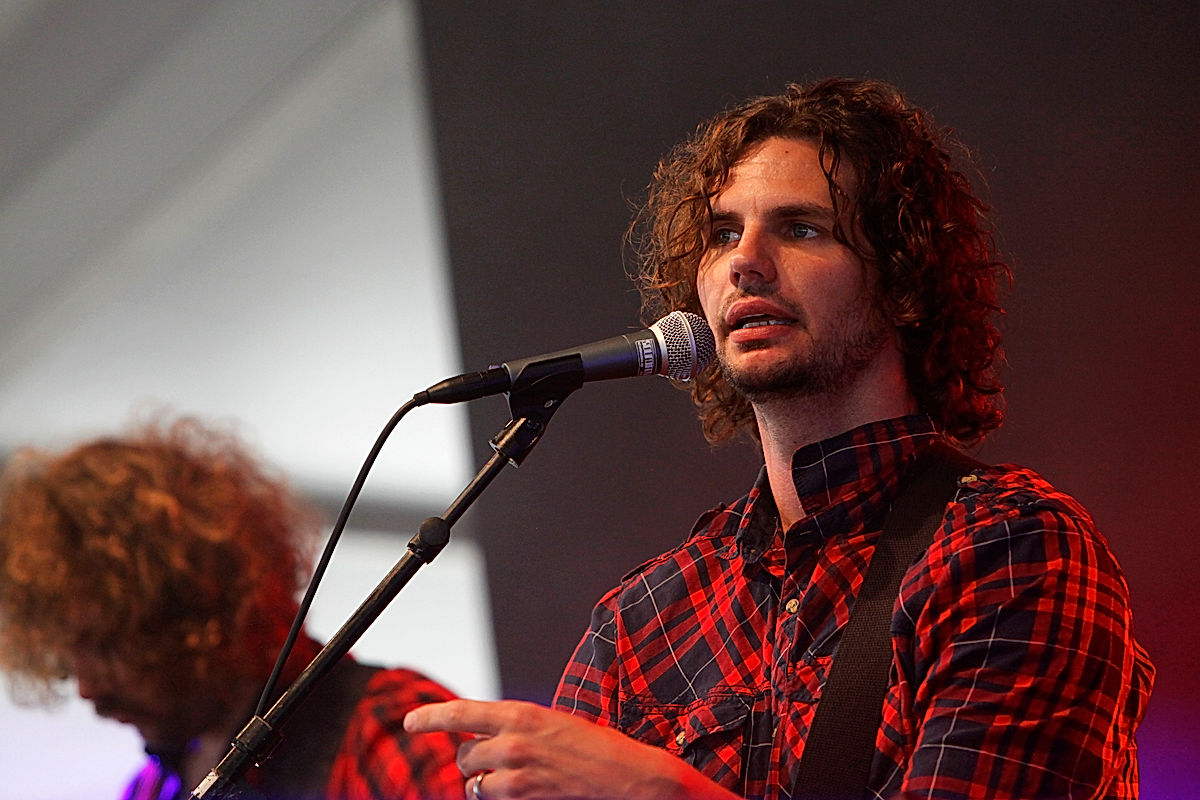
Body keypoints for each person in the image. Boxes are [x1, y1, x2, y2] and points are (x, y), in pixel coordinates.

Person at [404, 78, 1155, 799]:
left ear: (905, 281)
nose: (744, 261)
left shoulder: (1009, 549)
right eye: (723, 232)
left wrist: (658, 791)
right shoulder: (639, 622)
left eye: (800, 228)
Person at [0, 416, 466, 800]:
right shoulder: (155, 786)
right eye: (68, 655)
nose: (86, 688)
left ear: (195, 610)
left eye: (105, 646)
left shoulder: (393, 731)